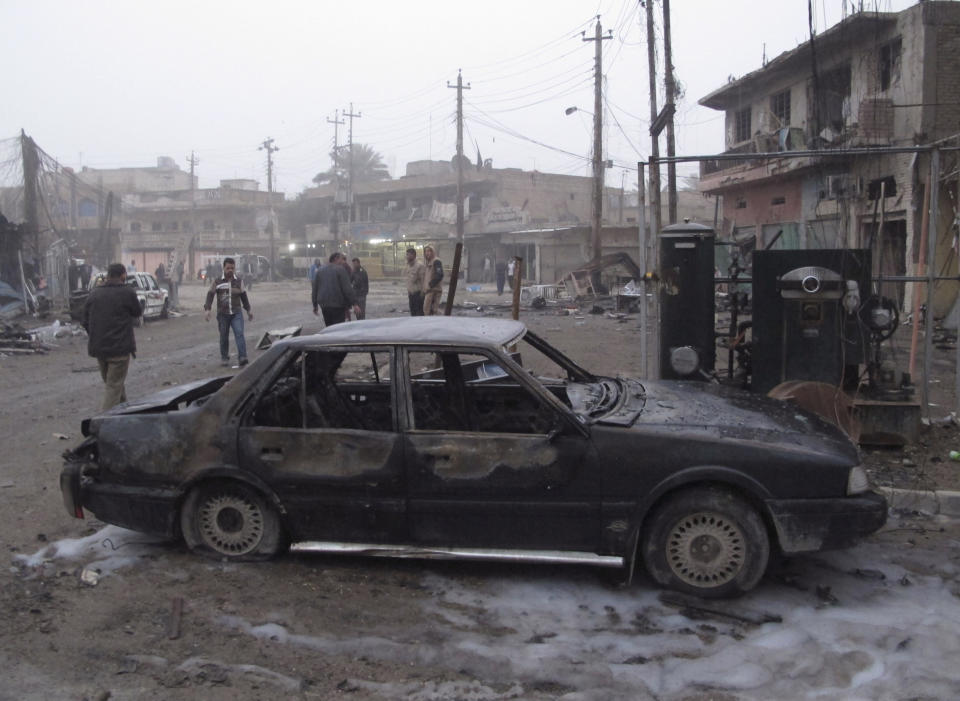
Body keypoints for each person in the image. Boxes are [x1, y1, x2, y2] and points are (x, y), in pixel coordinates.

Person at [82, 262, 142, 410]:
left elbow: (84, 320)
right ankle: (103, 423)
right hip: (119, 350)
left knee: (114, 384)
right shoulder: (127, 292)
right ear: (123, 275)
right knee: (114, 386)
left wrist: (95, 335)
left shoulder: (94, 293)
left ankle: (125, 412)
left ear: (108, 275)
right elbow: (137, 312)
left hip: (99, 350)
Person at [204, 257, 253, 367]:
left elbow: (244, 297)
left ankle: (242, 357)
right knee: (223, 336)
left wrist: (249, 310)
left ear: (234, 268)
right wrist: (207, 309)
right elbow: (210, 295)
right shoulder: (217, 281)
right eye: (228, 268)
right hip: (222, 314)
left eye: (232, 268)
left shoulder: (239, 281)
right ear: (224, 268)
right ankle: (224, 357)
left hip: (236, 313)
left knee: (239, 333)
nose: (230, 270)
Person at [312, 252, 359, 327]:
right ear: (336, 258)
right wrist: (355, 304)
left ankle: (329, 338)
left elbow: (315, 289)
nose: (343, 261)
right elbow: (347, 288)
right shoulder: (340, 270)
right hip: (338, 305)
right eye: (341, 259)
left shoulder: (319, 271)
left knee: (329, 327)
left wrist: (315, 306)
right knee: (338, 328)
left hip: (324, 305)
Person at [422, 244, 444, 316]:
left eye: (429, 251)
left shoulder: (436, 261)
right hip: (429, 290)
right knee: (429, 310)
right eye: (425, 251)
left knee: (431, 310)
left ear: (433, 252)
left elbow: (439, 275)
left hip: (434, 290)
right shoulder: (428, 262)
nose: (427, 253)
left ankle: (442, 322)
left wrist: (430, 285)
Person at [405, 247, 425, 317]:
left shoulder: (420, 265)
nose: (407, 256)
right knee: (412, 313)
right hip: (411, 294)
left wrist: (423, 293)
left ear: (413, 255)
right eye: (406, 255)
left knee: (419, 313)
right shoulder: (408, 265)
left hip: (418, 294)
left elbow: (423, 280)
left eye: (408, 255)